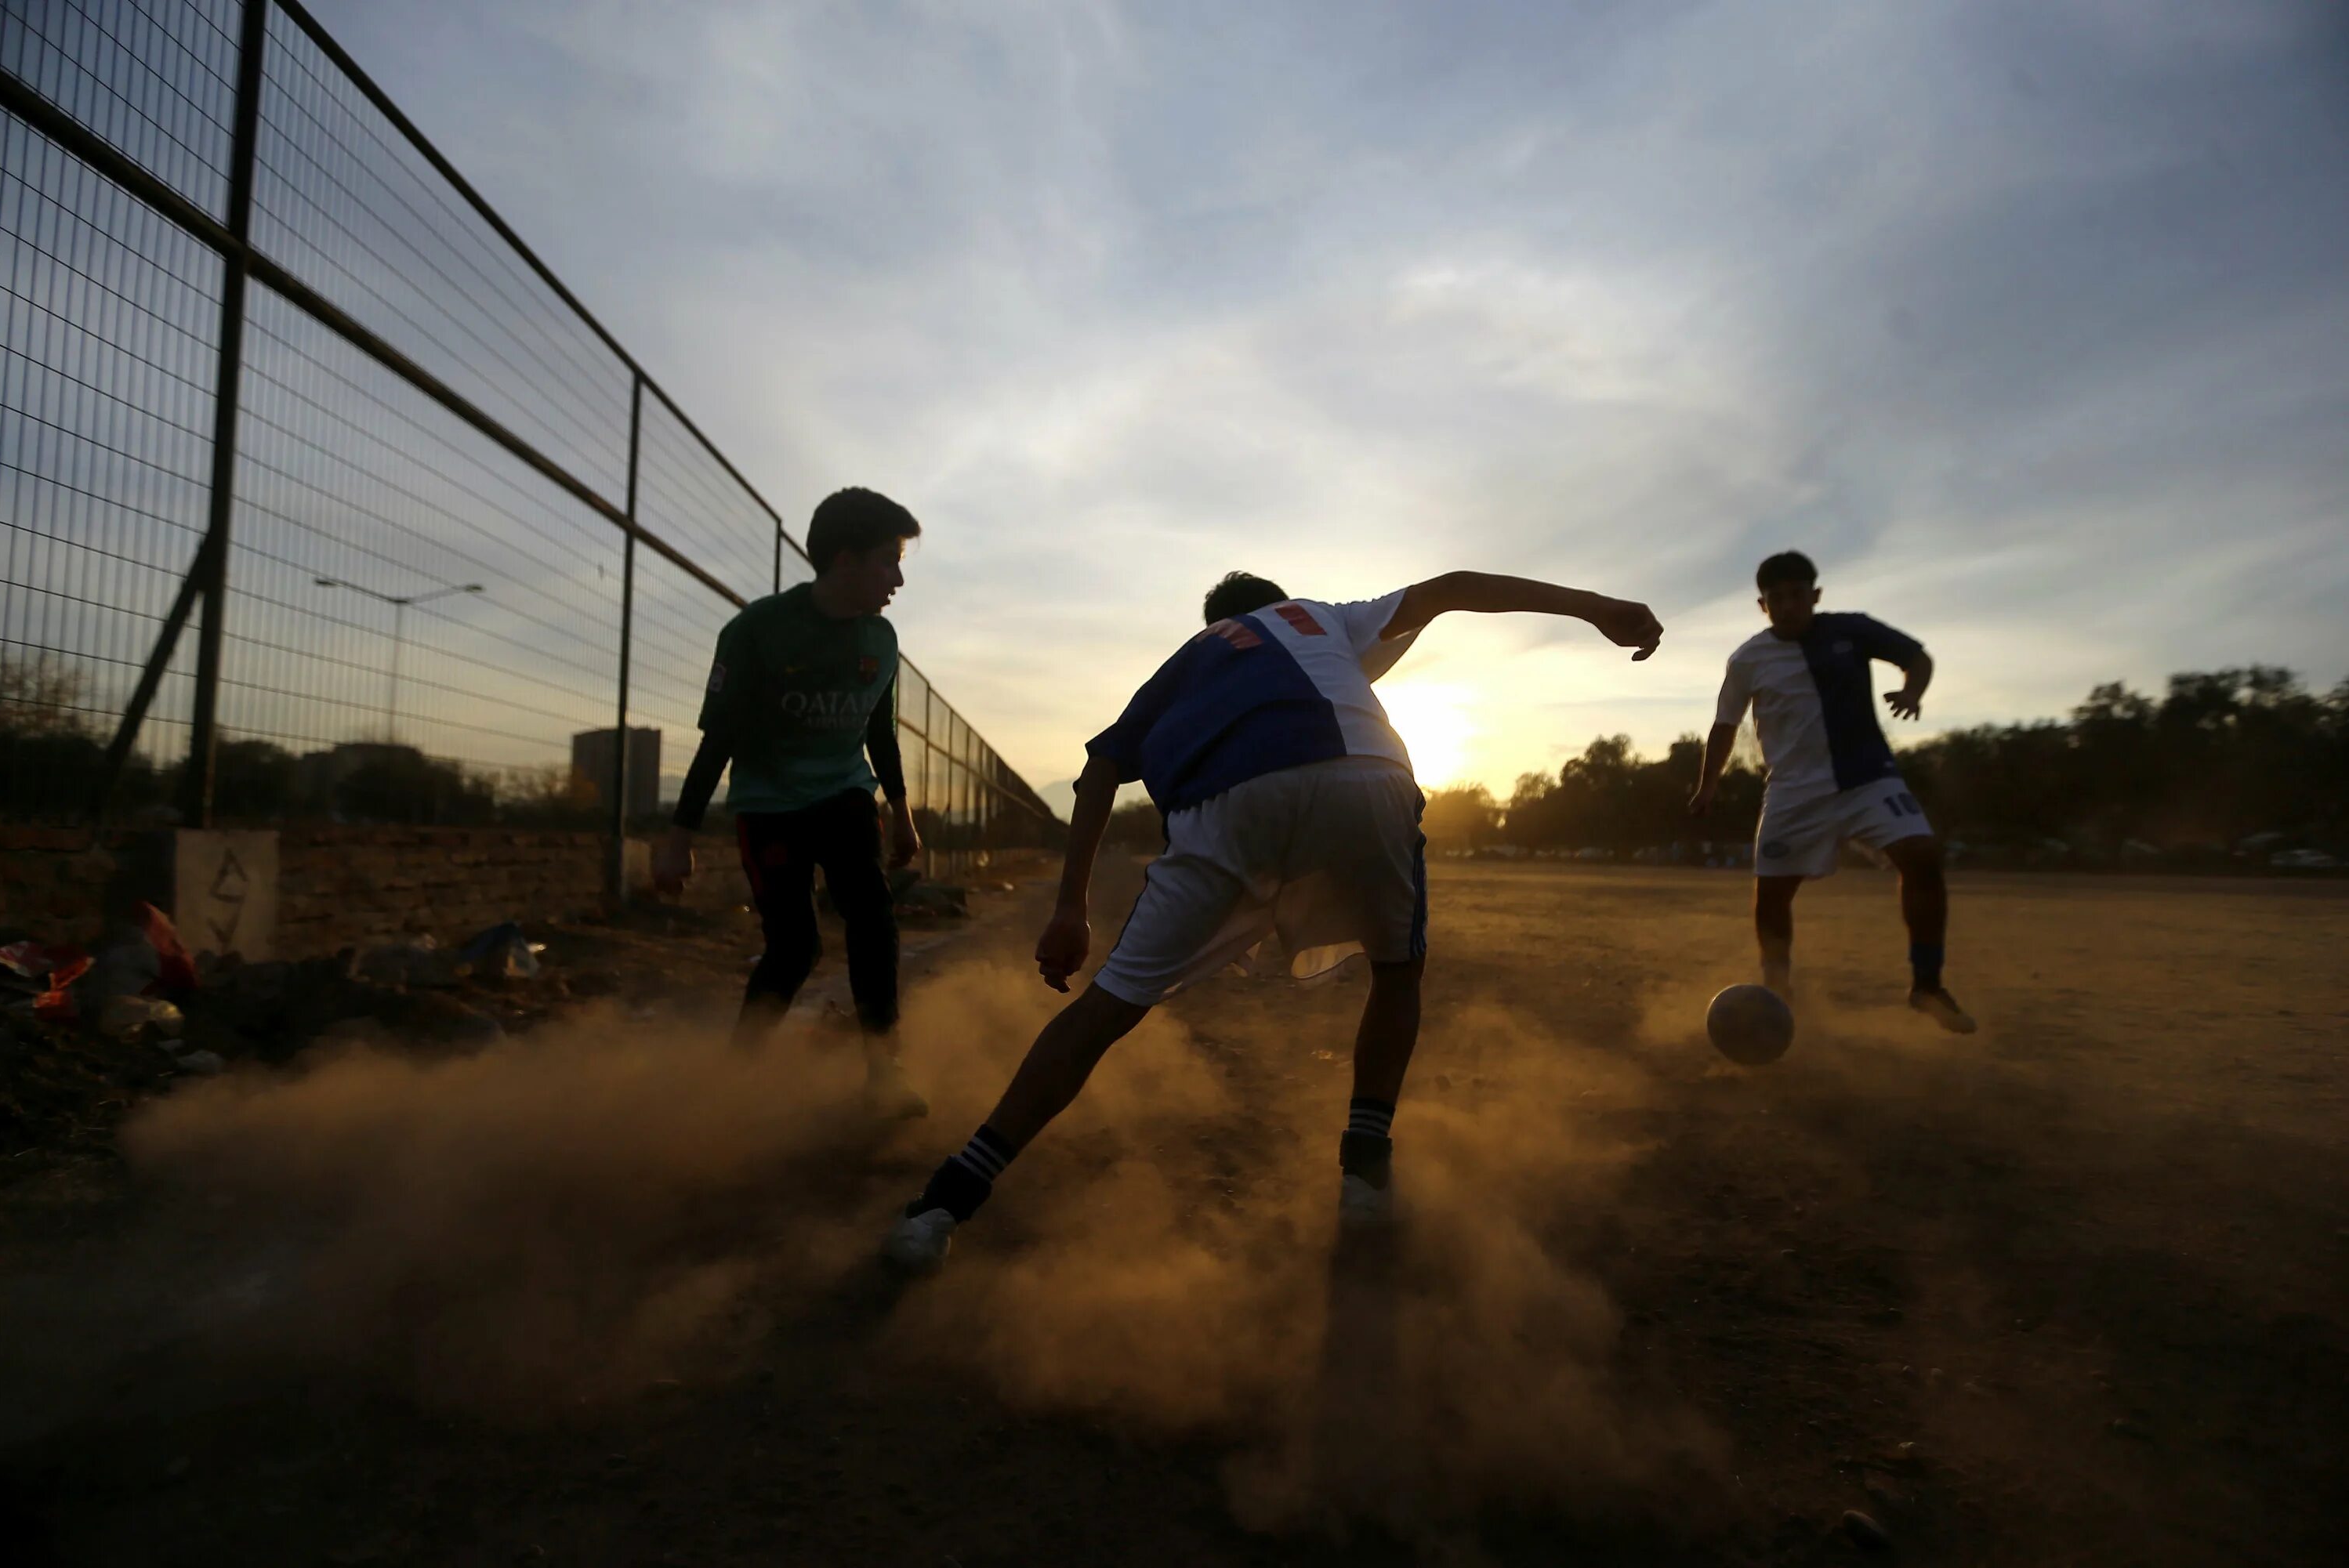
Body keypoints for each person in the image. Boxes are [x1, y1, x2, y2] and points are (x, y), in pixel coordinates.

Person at [883, 569, 1664, 1270]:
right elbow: (1450, 587)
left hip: (1230, 803)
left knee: (1106, 1009)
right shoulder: (1315, 616)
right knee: (1398, 971)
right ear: (1277, 602)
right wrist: (1596, 607)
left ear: (1214, 622)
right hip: (1369, 777)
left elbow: (1098, 775)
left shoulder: (1188, 660)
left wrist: (1069, 910)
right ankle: (1365, 1170)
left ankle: (945, 1203)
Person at [654, 487, 930, 1117]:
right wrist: (678, 838)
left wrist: (904, 814)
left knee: (871, 912)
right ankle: (737, 1072)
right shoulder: (757, 631)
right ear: (844, 560)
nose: (898, 579)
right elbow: (719, 738)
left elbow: (879, 731)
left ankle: (883, 1071)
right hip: (769, 804)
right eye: (889, 560)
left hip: (845, 794)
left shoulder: (880, 641)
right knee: (795, 946)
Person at [1688, 550, 1975, 1032]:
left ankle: (1927, 985)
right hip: (1793, 792)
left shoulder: (1852, 630)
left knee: (1922, 856)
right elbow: (1724, 723)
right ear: (1762, 605)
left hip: (1868, 779)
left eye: (1797, 595)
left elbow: (1916, 657)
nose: (1787, 606)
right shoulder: (1747, 660)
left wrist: (1912, 693)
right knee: (1773, 895)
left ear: (1815, 596)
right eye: (1775, 599)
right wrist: (1708, 783)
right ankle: (1778, 988)